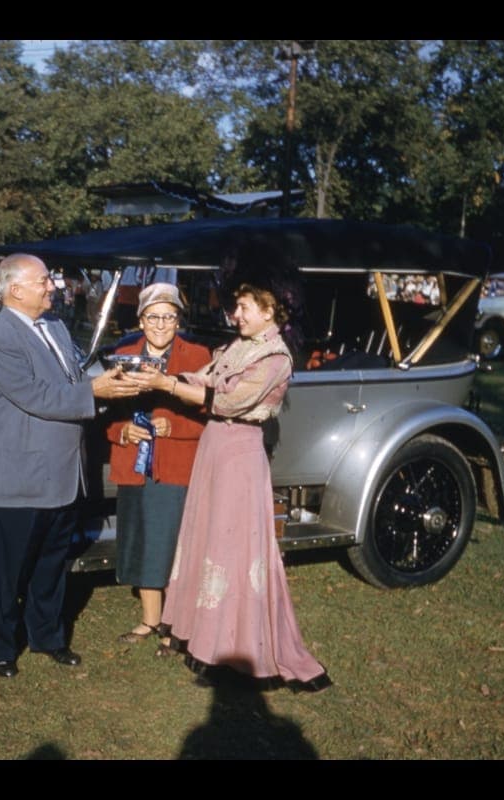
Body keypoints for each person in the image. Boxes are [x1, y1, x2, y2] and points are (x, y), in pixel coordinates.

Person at [127, 281, 332, 693]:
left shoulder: (275, 358)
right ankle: (205, 638)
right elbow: (200, 377)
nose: (235, 315)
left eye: (242, 307)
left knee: (233, 547)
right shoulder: (236, 347)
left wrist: (166, 385)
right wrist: (160, 373)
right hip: (214, 450)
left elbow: (228, 401)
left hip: (239, 452)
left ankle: (234, 647)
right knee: (207, 540)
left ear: (268, 311)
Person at [0, 253, 142, 678]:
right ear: (15, 290)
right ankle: (0, 647)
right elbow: (35, 397)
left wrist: (105, 384)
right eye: (44, 281)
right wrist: (95, 393)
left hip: (63, 474)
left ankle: (47, 637)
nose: (54, 286)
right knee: (6, 571)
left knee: (51, 565)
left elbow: (67, 383)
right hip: (20, 477)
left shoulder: (54, 326)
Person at [105, 283, 210, 656]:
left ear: (179, 319)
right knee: (141, 542)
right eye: (153, 317)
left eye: (169, 316)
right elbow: (106, 413)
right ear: (140, 319)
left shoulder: (198, 356)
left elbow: (212, 416)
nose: (161, 325)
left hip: (176, 467)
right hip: (134, 466)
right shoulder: (123, 354)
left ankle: (175, 627)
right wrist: (122, 432)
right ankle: (150, 620)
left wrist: (174, 427)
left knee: (172, 547)